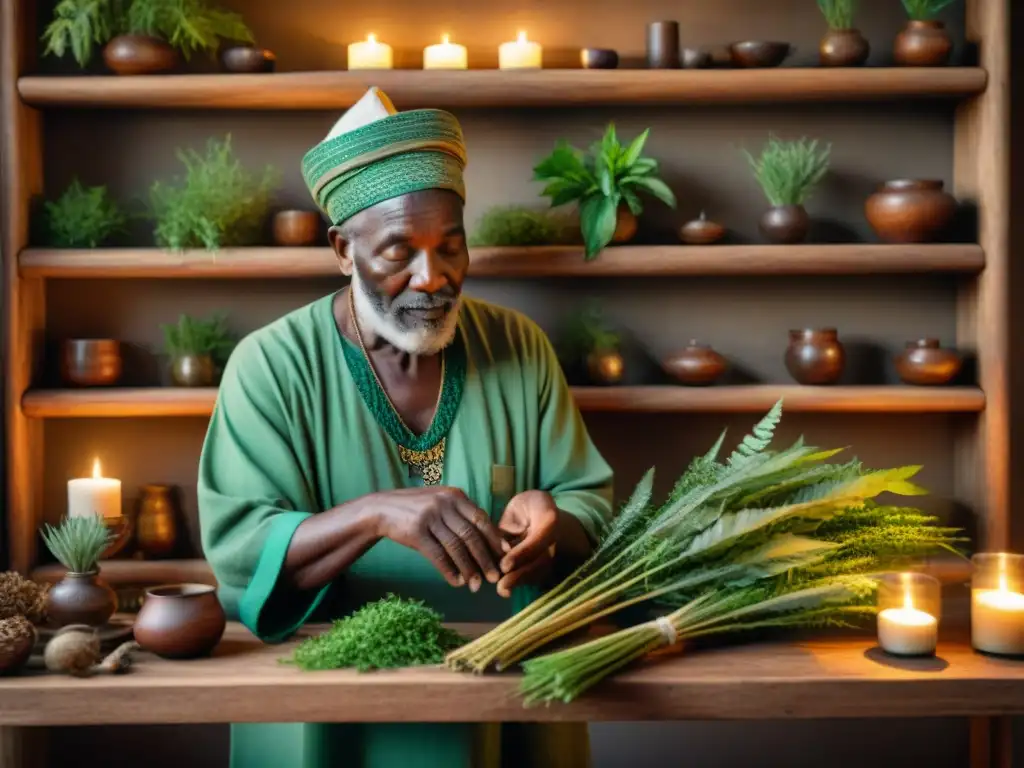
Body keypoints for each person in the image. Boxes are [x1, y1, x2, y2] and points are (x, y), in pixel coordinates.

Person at [197, 86, 615, 768]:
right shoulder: (270, 365)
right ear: (341, 248)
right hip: (326, 702)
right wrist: (373, 516)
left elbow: (588, 503)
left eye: (451, 247)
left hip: (503, 691)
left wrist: (552, 524)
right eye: (399, 253)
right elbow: (240, 549)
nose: (432, 277)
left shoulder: (519, 346)